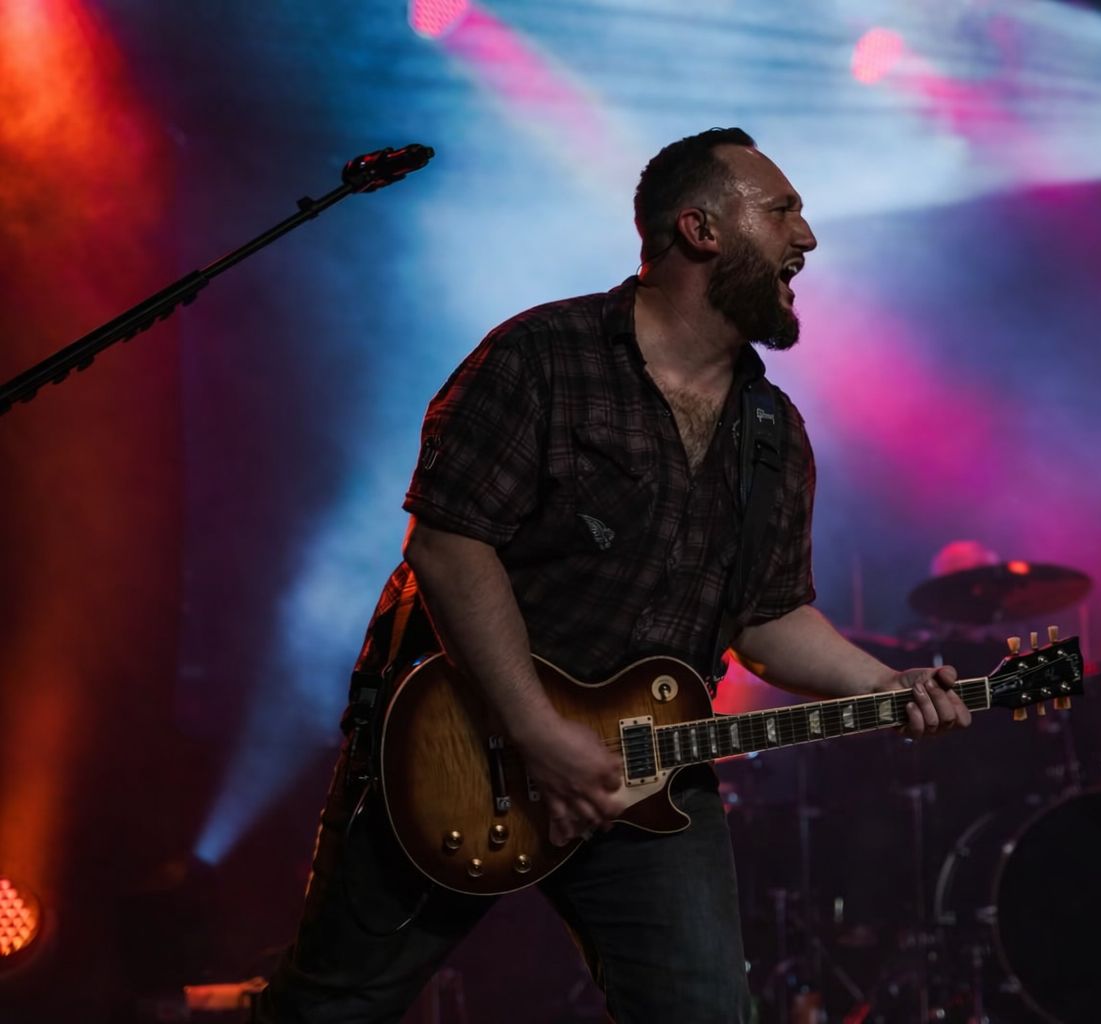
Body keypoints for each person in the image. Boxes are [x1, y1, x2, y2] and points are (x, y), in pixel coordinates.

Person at [251, 127, 972, 1024]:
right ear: (700, 229)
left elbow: (768, 615)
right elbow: (447, 546)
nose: (808, 237)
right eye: (782, 210)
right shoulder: (543, 357)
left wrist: (886, 684)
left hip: (648, 772)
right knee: (331, 1009)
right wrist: (537, 732)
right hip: (459, 747)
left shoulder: (773, 433)